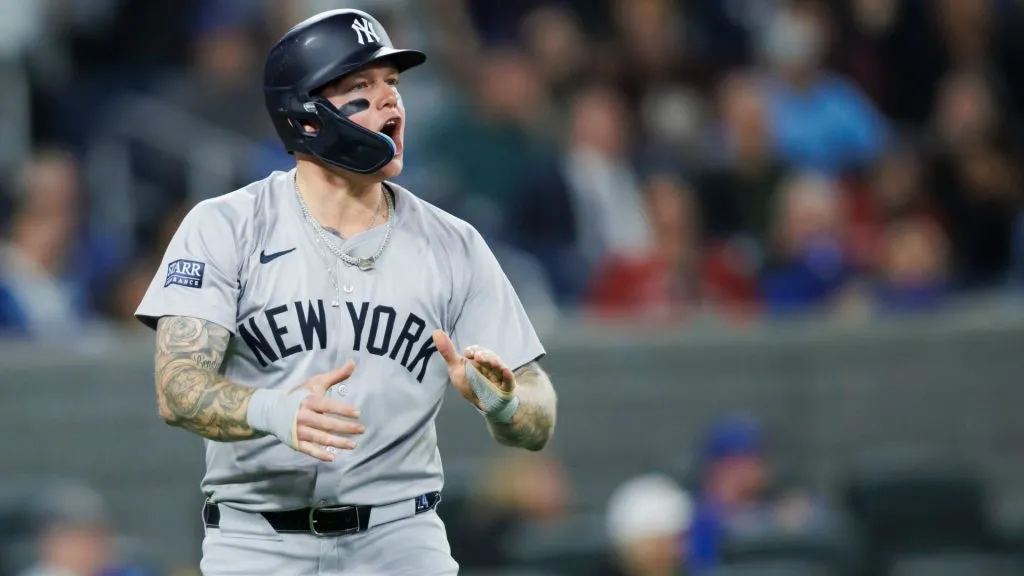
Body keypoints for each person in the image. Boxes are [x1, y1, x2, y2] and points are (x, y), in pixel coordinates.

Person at [133, 9, 558, 576]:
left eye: (393, 85)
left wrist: (505, 403)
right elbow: (177, 388)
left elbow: (538, 409)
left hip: (402, 538)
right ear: (306, 116)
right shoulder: (225, 226)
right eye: (361, 86)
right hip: (258, 542)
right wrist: (274, 411)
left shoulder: (454, 243)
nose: (390, 102)